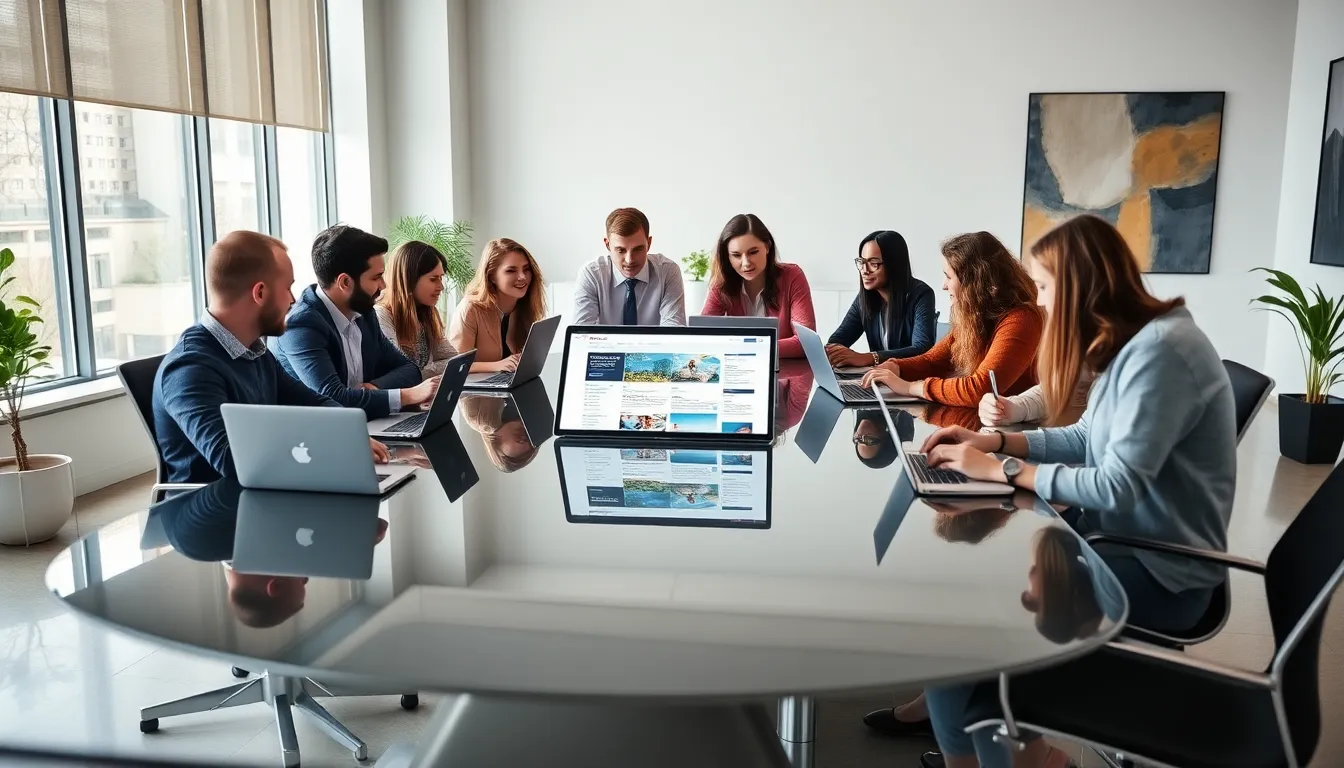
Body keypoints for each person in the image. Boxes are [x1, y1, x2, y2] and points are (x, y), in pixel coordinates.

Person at [913, 214, 1235, 768]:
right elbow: (1087, 437)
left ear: (1079, 286)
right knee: (957, 627)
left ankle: (1026, 753)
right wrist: (995, 440)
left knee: (964, 640)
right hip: (1112, 543)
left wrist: (1001, 470)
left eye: (1043, 286)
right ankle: (1027, 755)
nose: (1038, 302)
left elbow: (1117, 484)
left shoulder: (1161, 353)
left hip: (1159, 572)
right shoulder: (1134, 343)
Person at [152, 231, 390, 484]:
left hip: (269, 489)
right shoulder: (189, 369)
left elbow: (313, 402)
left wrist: (348, 432)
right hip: (216, 503)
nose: (293, 300)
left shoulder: (254, 351)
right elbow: (235, 462)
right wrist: (332, 444)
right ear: (260, 293)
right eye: (287, 288)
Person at [274, 225, 439, 419]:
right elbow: (333, 399)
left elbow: (409, 369)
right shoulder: (301, 326)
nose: (383, 285)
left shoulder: (364, 313)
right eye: (376, 277)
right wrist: (408, 395)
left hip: (365, 424)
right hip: (314, 432)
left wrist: (374, 388)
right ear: (345, 282)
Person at [860, 232, 1042, 407]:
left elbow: (981, 388)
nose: (944, 285)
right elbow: (933, 361)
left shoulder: (1022, 319)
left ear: (975, 281)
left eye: (948, 276)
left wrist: (910, 388)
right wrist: (896, 367)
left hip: (1014, 425)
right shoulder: (977, 316)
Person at [699, 213, 816, 358]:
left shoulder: (792, 276)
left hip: (783, 370)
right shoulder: (721, 284)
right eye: (736, 255)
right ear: (727, 256)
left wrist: (747, 347)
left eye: (753, 252)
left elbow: (806, 343)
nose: (746, 263)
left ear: (767, 246)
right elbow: (702, 336)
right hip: (737, 368)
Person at [827, 230, 937, 366]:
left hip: (908, 376)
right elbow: (837, 341)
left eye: (873, 263)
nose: (865, 270)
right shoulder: (865, 298)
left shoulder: (921, 294)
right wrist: (835, 353)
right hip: (878, 375)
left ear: (894, 264)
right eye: (862, 262)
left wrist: (869, 358)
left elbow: (921, 348)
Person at [572, 207, 686, 326]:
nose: (629, 260)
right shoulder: (592, 275)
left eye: (638, 249)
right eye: (621, 250)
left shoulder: (667, 272)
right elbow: (581, 331)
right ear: (608, 245)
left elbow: (674, 329)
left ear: (649, 243)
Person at [449, 238, 547, 374]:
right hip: (474, 387)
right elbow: (456, 366)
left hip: (510, 383)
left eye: (526, 269)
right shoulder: (470, 308)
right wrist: (497, 365)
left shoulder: (525, 305)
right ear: (491, 276)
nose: (522, 277)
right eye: (511, 271)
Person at [375, 240, 458, 380]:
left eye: (441, 278)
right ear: (409, 280)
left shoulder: (426, 313)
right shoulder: (381, 315)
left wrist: (423, 371)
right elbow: (398, 372)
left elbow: (454, 361)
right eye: (433, 279)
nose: (441, 287)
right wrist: (430, 369)